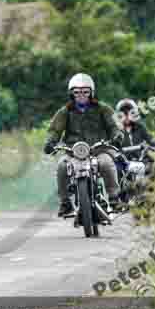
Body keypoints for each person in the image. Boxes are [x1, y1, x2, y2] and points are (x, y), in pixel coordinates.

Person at [43, 73, 124, 217]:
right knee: (62, 166)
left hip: (98, 149)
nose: (81, 95)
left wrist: (117, 136)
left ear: (91, 92)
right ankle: (65, 203)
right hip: (73, 152)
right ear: (71, 94)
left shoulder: (103, 109)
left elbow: (114, 126)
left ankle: (114, 198)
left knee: (106, 163)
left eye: (85, 91)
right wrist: (50, 142)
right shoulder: (65, 111)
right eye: (77, 92)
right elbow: (55, 130)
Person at [115, 98, 155, 180]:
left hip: (140, 158)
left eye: (130, 112)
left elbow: (149, 138)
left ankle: (148, 189)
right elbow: (111, 142)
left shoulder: (140, 127)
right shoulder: (115, 130)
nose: (127, 116)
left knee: (151, 165)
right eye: (124, 113)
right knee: (115, 170)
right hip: (123, 160)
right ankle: (118, 191)